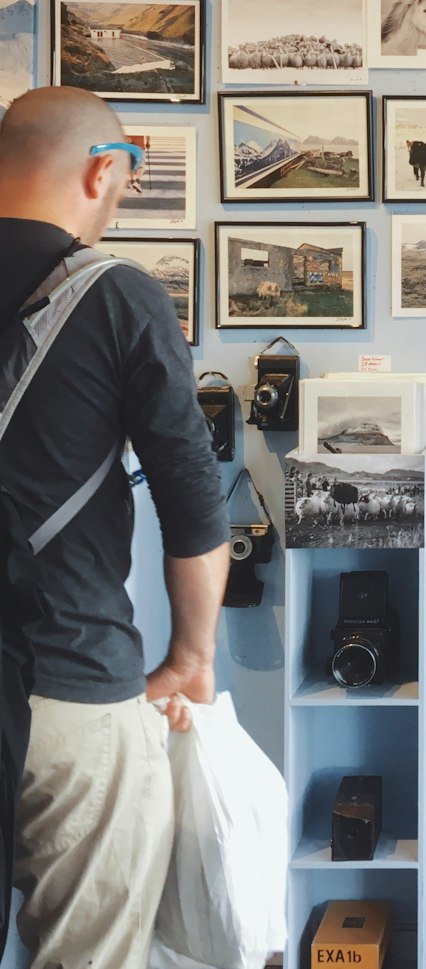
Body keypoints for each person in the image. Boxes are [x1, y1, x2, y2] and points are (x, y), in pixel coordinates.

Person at [0, 88, 231, 969]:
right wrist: (191, 656)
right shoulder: (115, 293)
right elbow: (192, 499)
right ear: (104, 170)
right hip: (68, 683)